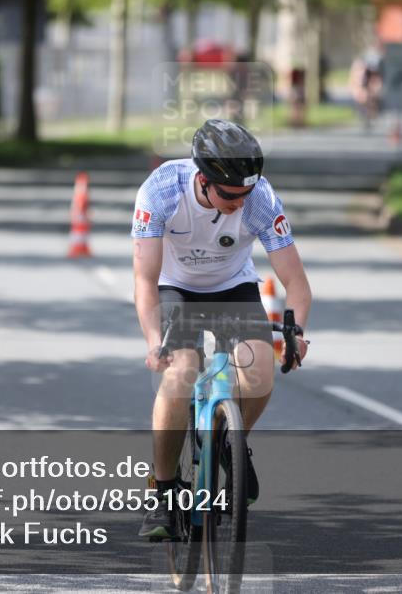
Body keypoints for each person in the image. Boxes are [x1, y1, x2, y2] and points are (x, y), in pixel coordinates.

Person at [132, 119, 312, 539]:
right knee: (180, 372)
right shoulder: (161, 191)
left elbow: (296, 282)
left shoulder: (259, 199)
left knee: (260, 368)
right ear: (203, 180)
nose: (238, 204)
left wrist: (297, 331)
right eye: (229, 195)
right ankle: (163, 491)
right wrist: (154, 342)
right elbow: (144, 279)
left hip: (233, 286)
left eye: (244, 194)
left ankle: (231, 442)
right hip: (174, 286)